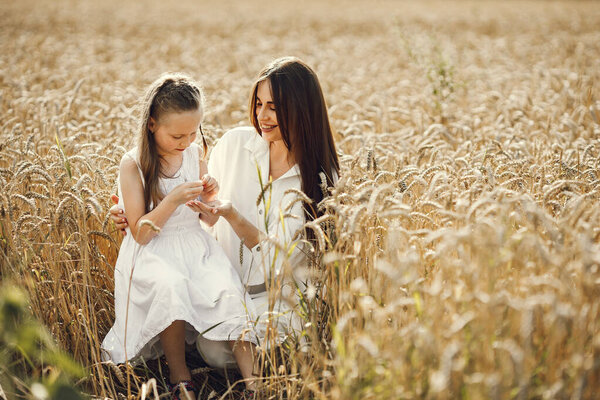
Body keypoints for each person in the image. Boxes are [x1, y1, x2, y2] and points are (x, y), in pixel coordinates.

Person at [110, 57, 340, 369]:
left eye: (274, 106)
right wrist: (134, 212)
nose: (262, 115)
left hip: (278, 298)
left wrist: (233, 217)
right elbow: (194, 206)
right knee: (210, 342)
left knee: (218, 351)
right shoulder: (235, 144)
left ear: (302, 108)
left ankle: (273, 366)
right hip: (220, 284)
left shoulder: (318, 179)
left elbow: (280, 261)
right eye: (258, 103)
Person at [101, 73, 257, 400]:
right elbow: (141, 234)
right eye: (176, 135)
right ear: (152, 124)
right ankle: (180, 377)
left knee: (229, 290)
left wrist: (210, 199)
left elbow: (207, 220)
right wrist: (171, 200)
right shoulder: (134, 165)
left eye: (192, 133)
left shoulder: (193, 153)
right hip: (153, 251)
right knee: (170, 287)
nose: (185, 142)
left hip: (195, 244)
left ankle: (255, 383)